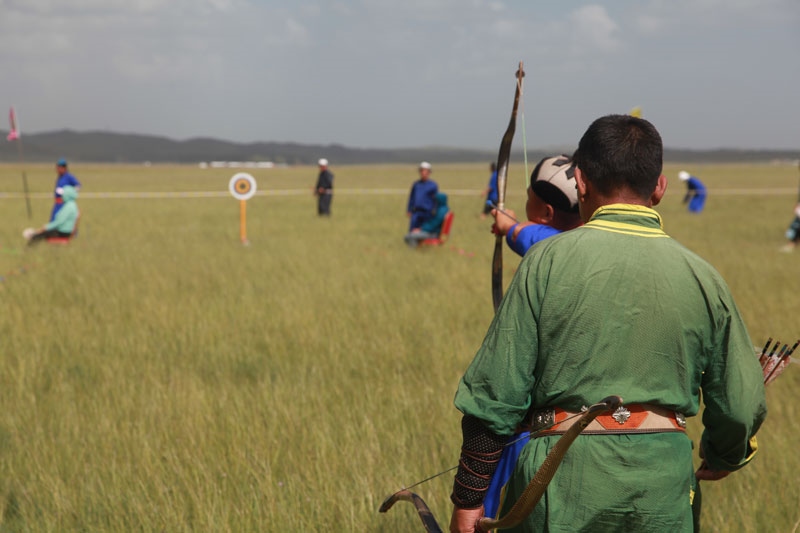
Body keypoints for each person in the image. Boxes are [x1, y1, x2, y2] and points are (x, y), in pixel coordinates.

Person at [449, 115, 766, 533]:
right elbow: (740, 408)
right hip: (662, 494)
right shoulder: (704, 278)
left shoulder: (545, 261)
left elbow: (494, 395)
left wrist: (469, 500)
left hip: (555, 493)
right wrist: (724, 455)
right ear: (660, 188)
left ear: (580, 182)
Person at [491, 155, 583, 258]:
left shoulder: (568, 248)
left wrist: (510, 228)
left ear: (547, 213)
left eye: (529, 197)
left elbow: (554, 244)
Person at [406, 162, 438, 231]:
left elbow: (436, 200)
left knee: (425, 231)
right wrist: (409, 209)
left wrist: (435, 210)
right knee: (413, 232)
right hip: (416, 212)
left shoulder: (433, 185)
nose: (423, 173)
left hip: (427, 213)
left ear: (429, 172)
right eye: (422, 171)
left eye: (425, 171)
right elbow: (412, 198)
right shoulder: (416, 185)